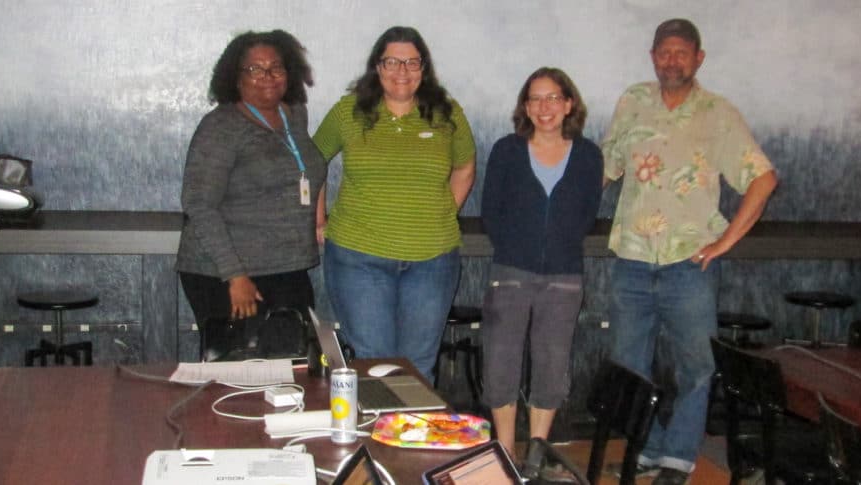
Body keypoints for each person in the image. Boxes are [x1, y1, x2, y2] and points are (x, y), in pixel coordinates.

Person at [601, 19, 778, 485]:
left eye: (682, 52)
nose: (672, 59)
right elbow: (605, 168)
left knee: (697, 368)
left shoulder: (718, 114)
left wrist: (726, 241)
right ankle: (646, 449)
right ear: (653, 56)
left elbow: (763, 179)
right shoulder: (632, 102)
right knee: (627, 365)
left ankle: (678, 459)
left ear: (699, 58)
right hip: (632, 262)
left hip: (690, 266)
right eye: (664, 51)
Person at [313, 26, 476, 380]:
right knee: (375, 364)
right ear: (377, 66)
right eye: (392, 62)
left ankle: (410, 437)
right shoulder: (348, 112)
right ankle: (375, 438)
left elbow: (465, 167)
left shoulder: (447, 114)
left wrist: (443, 212)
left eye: (412, 62)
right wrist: (318, 220)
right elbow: (314, 163)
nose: (402, 71)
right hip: (359, 258)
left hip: (432, 262)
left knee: (419, 367)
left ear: (424, 68)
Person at [480, 67, 603, 460]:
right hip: (511, 272)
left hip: (565, 276)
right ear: (525, 107)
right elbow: (491, 212)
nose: (544, 107)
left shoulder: (588, 155)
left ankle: (536, 451)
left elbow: (586, 214)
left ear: (569, 104)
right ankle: (503, 448)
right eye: (535, 98)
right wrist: (519, 248)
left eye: (553, 98)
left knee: (551, 364)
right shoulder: (506, 150)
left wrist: (558, 245)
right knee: (501, 362)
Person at [176, 30, 326, 337]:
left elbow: (307, 173)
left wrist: (318, 219)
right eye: (255, 69)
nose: (267, 76)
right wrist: (235, 276)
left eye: (276, 67)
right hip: (228, 274)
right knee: (241, 373)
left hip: (286, 267)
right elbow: (199, 204)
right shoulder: (222, 127)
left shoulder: (294, 115)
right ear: (235, 76)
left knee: (292, 363)